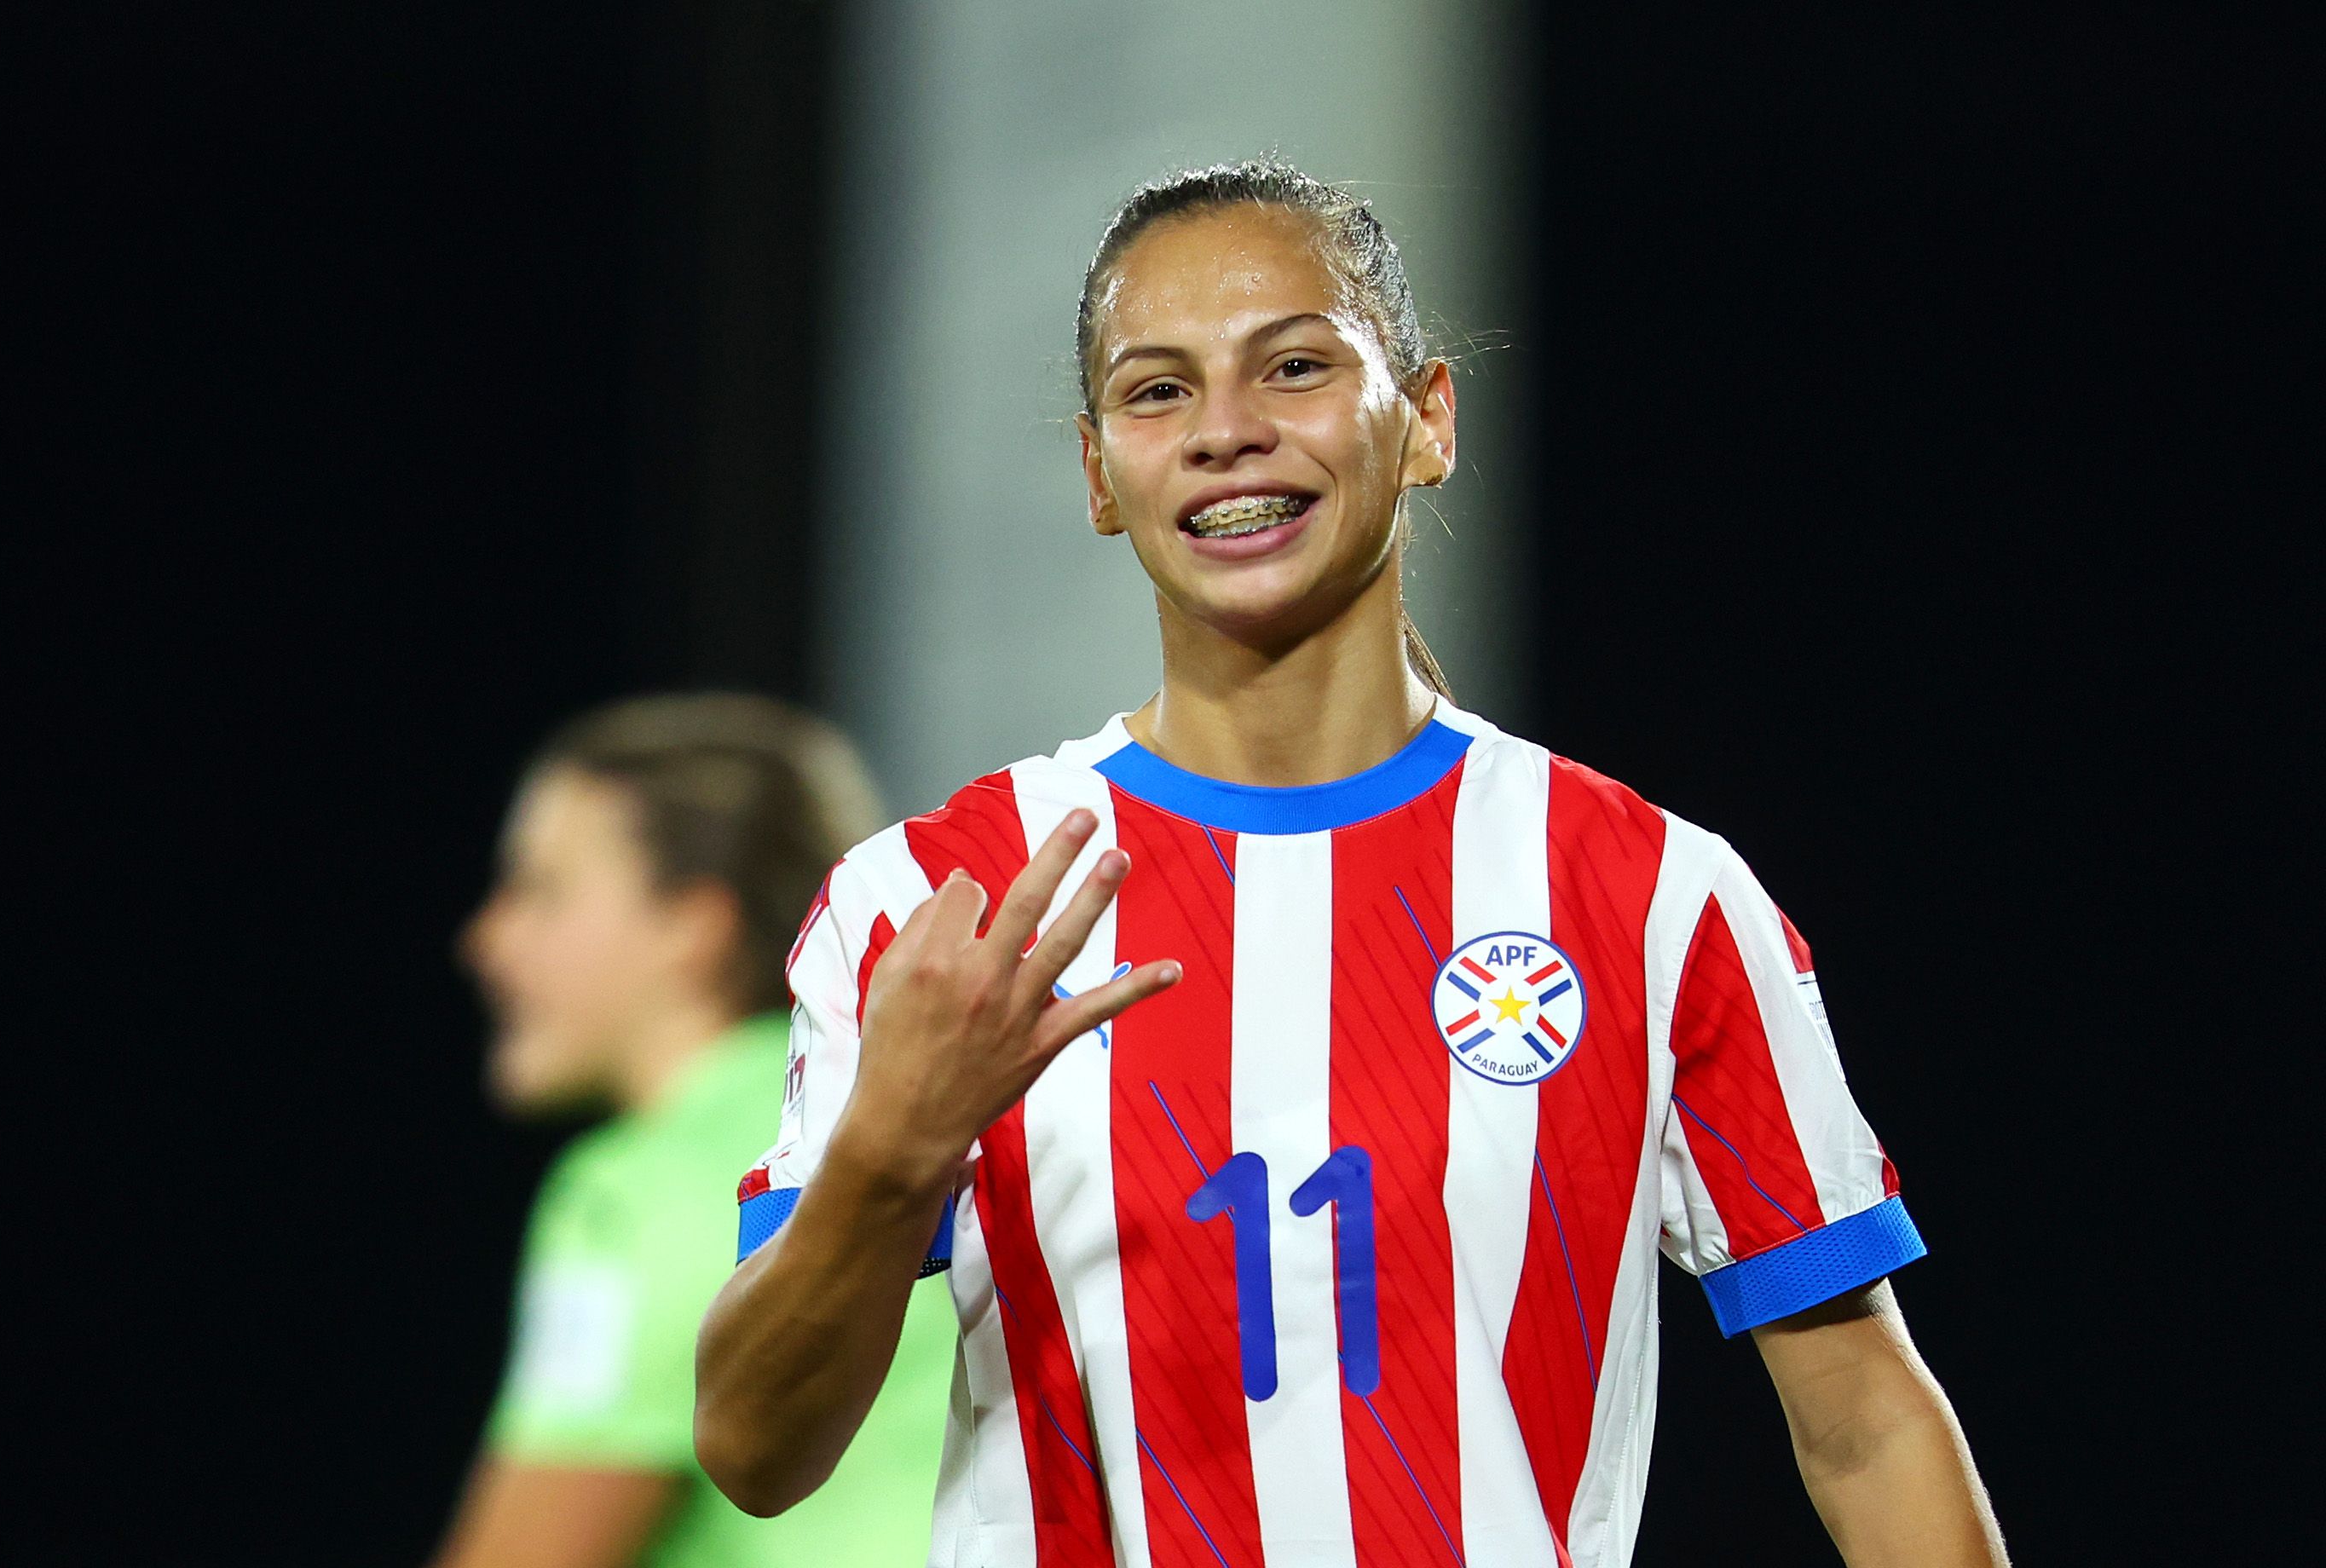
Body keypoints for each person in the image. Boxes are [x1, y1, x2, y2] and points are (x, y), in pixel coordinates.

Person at [694, 162, 2008, 1567]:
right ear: (1098, 475)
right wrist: (892, 1150)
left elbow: (1865, 1422)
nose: (1227, 434)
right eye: (1158, 391)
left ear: (1428, 420)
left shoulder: (1648, 897)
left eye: (1297, 366)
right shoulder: (932, 904)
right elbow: (758, 1456)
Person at [434, 693, 957, 1568]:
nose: (488, 938)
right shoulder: (924, 1127)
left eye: (542, 890)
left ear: (693, 925)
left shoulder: (633, 1194)